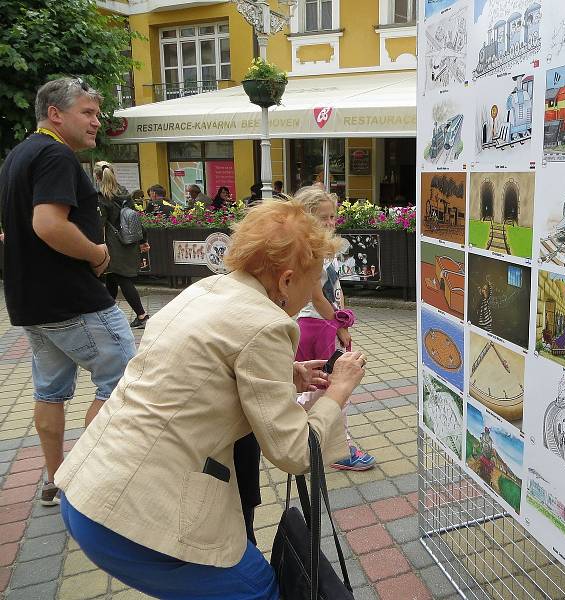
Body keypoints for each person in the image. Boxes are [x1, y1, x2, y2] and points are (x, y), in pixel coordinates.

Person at [55, 200, 366, 599]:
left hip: (91, 488)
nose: (315, 292)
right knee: (259, 591)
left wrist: (288, 374)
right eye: (313, 283)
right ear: (287, 281)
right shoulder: (269, 324)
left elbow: (194, 371)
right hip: (137, 517)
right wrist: (338, 391)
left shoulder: (205, 289)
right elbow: (294, 451)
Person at [0, 77, 137, 505]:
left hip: (31, 302)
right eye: (88, 112)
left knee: (49, 391)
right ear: (55, 114)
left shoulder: (17, 156)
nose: (97, 121)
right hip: (75, 300)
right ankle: (82, 476)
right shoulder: (55, 153)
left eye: (97, 113)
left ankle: (56, 477)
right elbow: (48, 223)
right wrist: (97, 253)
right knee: (123, 383)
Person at [295, 186, 376, 471]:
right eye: (324, 218)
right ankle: (338, 449)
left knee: (317, 386)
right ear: (306, 218)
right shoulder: (310, 250)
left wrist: (341, 315)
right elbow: (316, 297)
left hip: (320, 323)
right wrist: (339, 324)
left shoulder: (321, 247)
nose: (331, 223)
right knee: (335, 387)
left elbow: (333, 289)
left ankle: (310, 437)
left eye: (333, 217)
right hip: (317, 326)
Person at [93, 161, 151, 329]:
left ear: (97, 177)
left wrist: (96, 246)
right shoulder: (125, 193)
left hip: (114, 243)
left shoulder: (101, 197)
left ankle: (142, 315)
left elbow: (100, 225)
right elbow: (136, 219)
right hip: (129, 241)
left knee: (122, 278)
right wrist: (143, 241)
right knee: (111, 277)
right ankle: (108, 317)